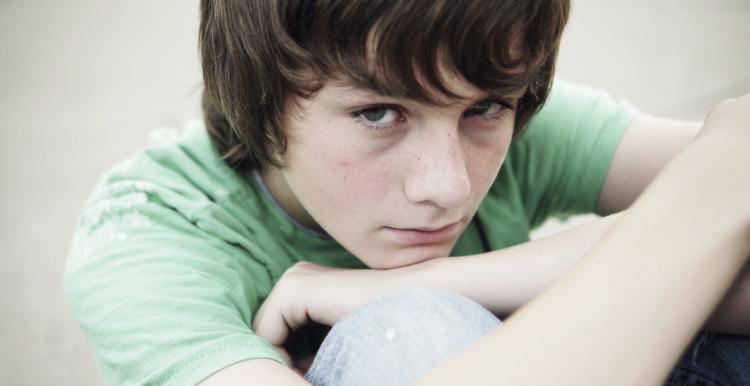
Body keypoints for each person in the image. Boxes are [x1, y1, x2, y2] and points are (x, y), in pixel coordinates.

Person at [63, 0, 750, 385]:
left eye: (486, 109)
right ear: (261, 100)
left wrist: (445, 277)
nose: (446, 185)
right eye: (376, 114)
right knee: (411, 332)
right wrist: (688, 212)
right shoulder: (152, 244)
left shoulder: (476, 99)